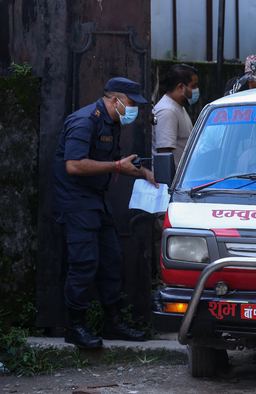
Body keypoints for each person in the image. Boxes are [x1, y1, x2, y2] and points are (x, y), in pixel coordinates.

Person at [51, 77, 158, 349]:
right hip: (76, 204)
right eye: (131, 103)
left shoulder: (111, 122)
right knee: (83, 265)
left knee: (112, 261)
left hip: (96, 203)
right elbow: (74, 166)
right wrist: (115, 166)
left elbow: (117, 164)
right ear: (115, 100)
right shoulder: (85, 120)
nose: (133, 109)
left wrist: (143, 173)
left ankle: (113, 323)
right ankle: (75, 327)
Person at [151, 64, 199, 283]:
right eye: (193, 86)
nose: (195, 90)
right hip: (169, 192)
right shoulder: (168, 111)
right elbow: (164, 155)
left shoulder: (178, 107)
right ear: (181, 87)